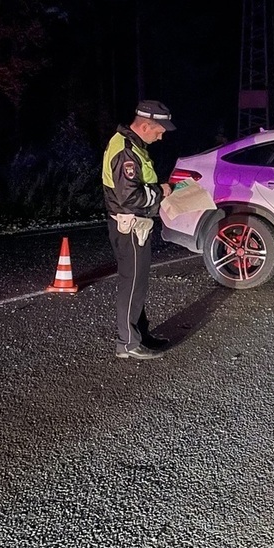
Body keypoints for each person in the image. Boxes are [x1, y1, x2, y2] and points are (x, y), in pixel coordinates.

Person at [101, 99, 175, 360]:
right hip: (129, 227)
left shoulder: (132, 146)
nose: (162, 135)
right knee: (132, 284)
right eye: (160, 130)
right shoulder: (125, 151)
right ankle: (128, 343)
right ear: (145, 125)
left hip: (135, 225)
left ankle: (140, 335)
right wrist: (160, 192)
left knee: (136, 284)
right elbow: (128, 198)